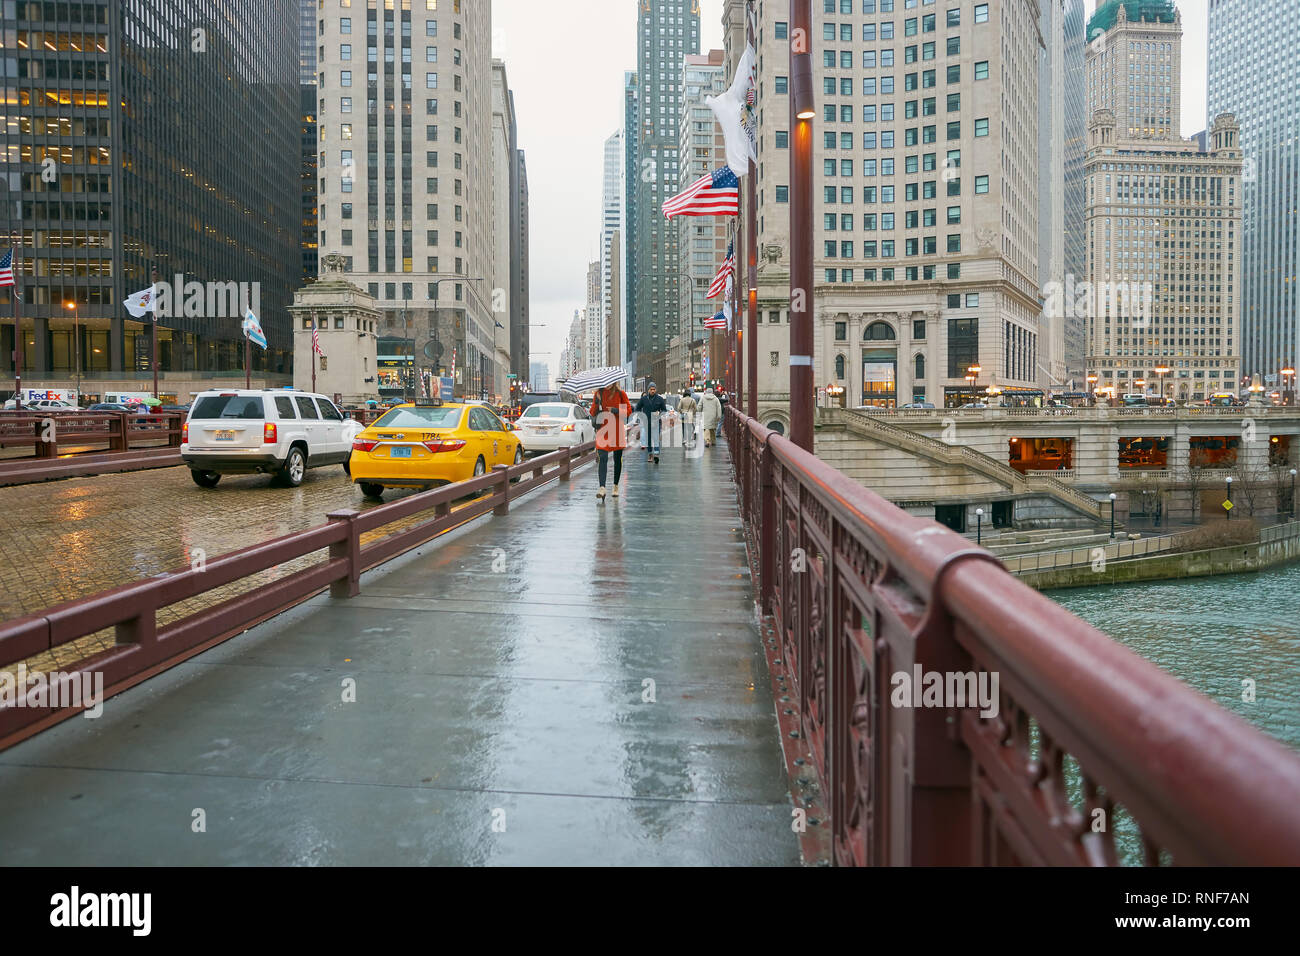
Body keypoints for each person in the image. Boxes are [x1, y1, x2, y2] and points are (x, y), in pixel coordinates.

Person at [590, 382, 632, 499]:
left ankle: (615, 486)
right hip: (603, 429)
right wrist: (597, 402)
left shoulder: (620, 394)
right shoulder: (599, 394)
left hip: (617, 429)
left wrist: (616, 410)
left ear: (614, 382)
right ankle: (602, 488)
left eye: (610, 383)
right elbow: (592, 412)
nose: (607, 385)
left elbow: (628, 411)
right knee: (602, 458)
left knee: (617, 458)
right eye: (605, 383)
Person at [634, 381, 667, 464]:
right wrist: (642, 416)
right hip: (647, 422)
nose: (653, 391)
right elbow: (637, 409)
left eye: (654, 389)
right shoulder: (644, 399)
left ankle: (656, 454)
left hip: (656, 422)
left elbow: (664, 410)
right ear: (648, 390)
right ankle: (650, 454)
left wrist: (659, 413)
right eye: (651, 389)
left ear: (656, 390)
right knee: (648, 439)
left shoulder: (660, 399)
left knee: (656, 438)